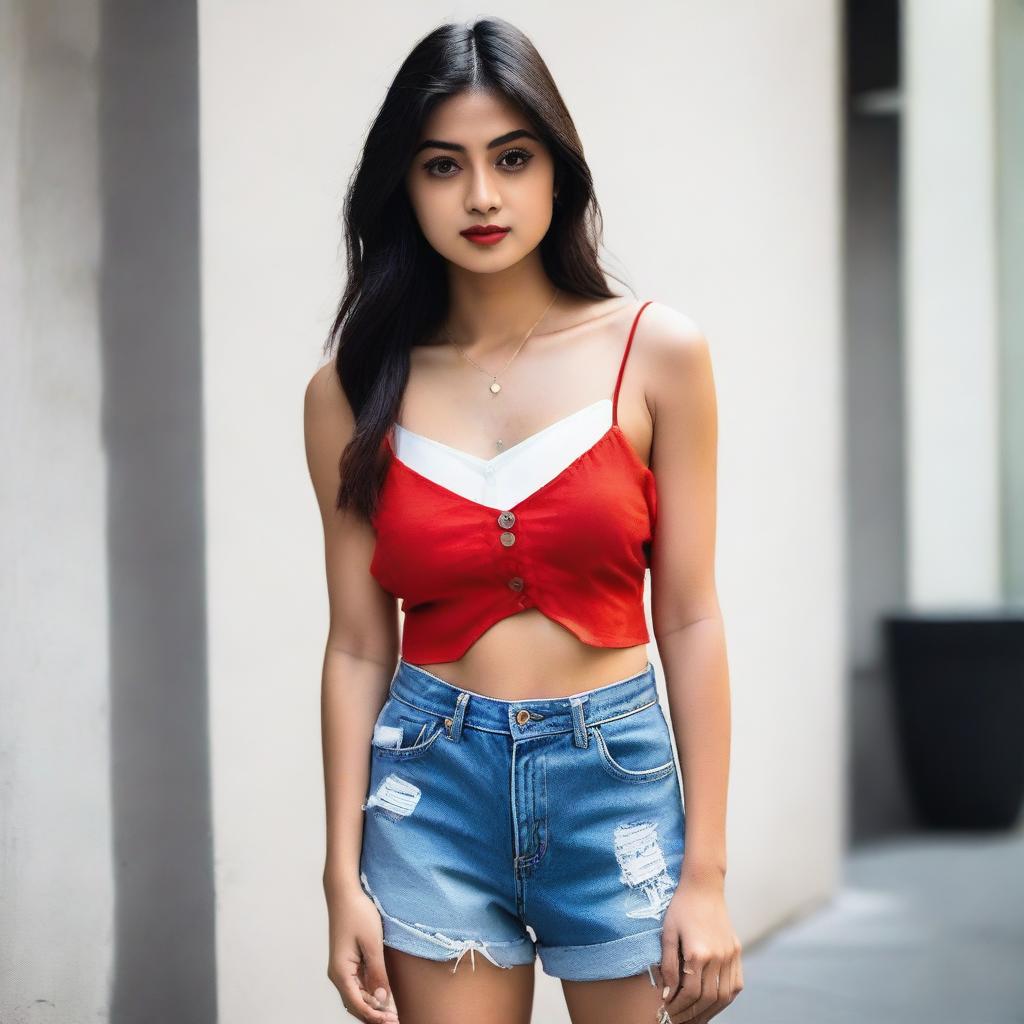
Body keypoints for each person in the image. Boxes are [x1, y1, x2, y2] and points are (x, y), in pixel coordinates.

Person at [303, 17, 741, 1024]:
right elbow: (358, 648)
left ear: (558, 168)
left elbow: (689, 616)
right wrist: (340, 877)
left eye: (511, 157)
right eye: (442, 165)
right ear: (402, 189)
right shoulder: (351, 390)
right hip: (428, 793)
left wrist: (705, 873)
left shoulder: (658, 352)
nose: (482, 196)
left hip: (615, 783)